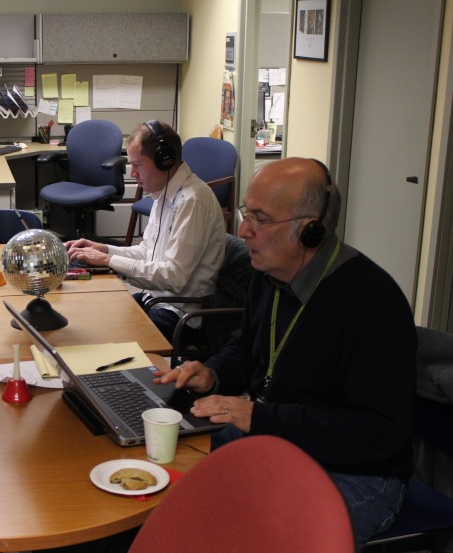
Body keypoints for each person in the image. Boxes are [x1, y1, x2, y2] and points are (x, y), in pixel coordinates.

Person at [157, 158, 416, 543]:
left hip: (360, 474)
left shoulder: (372, 303)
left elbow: (379, 432)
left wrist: (259, 417)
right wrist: (213, 373)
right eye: (247, 213)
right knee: (165, 480)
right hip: (278, 443)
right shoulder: (270, 274)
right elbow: (246, 347)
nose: (242, 231)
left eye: (259, 219)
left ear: (311, 230)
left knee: (238, 534)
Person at [65, 120, 226, 340]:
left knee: (103, 334)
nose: (132, 174)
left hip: (180, 316)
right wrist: (104, 250)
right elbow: (146, 252)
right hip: (158, 301)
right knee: (95, 314)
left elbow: (174, 277)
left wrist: (108, 262)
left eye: (137, 165)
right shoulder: (166, 192)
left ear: (165, 161)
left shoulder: (192, 201)